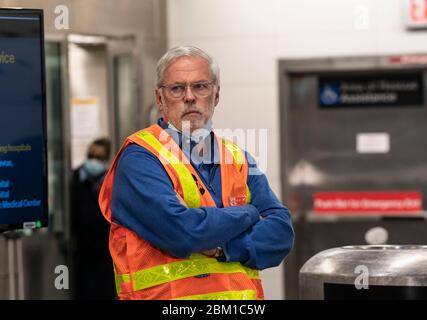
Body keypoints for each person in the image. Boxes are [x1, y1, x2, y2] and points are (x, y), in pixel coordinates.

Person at [98, 46, 294, 300]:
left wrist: (223, 246)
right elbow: (182, 233)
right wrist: (250, 212)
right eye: (177, 88)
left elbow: (281, 235)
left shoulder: (237, 158)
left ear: (216, 94)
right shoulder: (141, 158)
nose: (189, 97)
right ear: (160, 99)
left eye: (200, 86)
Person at [70, 138, 115, 300]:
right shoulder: (74, 179)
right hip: (82, 250)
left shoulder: (112, 181)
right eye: (92, 156)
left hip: (105, 251)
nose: (94, 162)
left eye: (99, 158)